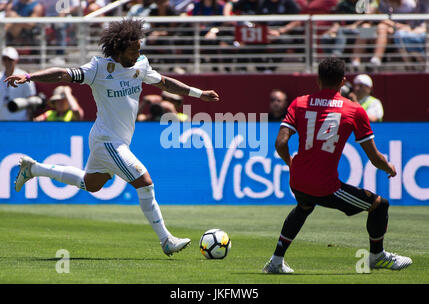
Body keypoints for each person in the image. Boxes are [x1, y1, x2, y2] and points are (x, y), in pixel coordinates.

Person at [6, 19, 220, 256]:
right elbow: (63, 75)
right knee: (144, 181)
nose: (138, 53)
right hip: (107, 140)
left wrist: (199, 94)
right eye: (133, 50)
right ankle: (166, 240)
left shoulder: (141, 65)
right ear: (118, 50)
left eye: (139, 49)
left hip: (115, 140)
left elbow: (166, 83)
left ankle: (33, 169)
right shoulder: (97, 69)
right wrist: (30, 76)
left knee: (92, 185)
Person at [262, 57, 412, 274]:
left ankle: (276, 261)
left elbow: (281, 142)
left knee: (304, 207)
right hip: (325, 186)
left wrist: (290, 163)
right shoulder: (353, 110)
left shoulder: (300, 102)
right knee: (380, 205)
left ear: (317, 79)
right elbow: (373, 156)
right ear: (343, 81)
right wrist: (388, 167)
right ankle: (377, 256)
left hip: (297, 179)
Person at [0, 47, 36, 121]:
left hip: (20, 120)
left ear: (16, 60)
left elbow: (31, 99)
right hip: (2, 120)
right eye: (5, 59)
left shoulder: (24, 77)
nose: (7, 62)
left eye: (10, 60)